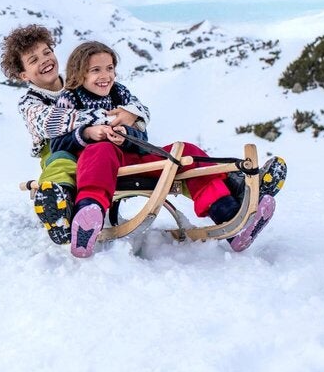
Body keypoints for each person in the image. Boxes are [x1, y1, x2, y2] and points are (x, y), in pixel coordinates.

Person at [55, 40, 278, 257]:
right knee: (101, 150)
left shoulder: (121, 94)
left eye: (110, 68)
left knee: (187, 151)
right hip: (98, 164)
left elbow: (142, 134)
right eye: (96, 70)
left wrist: (127, 135)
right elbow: (57, 142)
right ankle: (88, 217)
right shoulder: (70, 99)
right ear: (79, 73)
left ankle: (230, 217)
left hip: (133, 157)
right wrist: (88, 134)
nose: (105, 76)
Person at [0, 25, 148, 244]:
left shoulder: (79, 79)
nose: (44, 60)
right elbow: (53, 122)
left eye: (47, 52)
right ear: (24, 75)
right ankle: (57, 205)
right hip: (59, 149)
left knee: (104, 156)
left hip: (98, 146)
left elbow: (134, 104)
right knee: (62, 165)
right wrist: (111, 118)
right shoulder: (30, 103)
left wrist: (132, 114)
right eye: (33, 60)